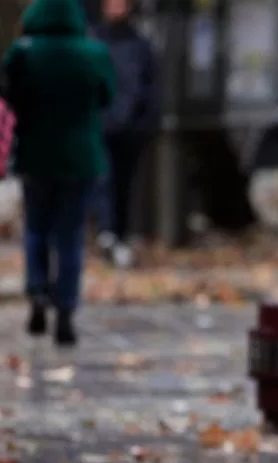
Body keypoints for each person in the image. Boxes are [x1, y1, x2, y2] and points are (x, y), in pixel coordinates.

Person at [4, 0, 115, 346]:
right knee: (70, 235)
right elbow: (107, 96)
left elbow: (9, 96)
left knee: (36, 227)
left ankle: (37, 291)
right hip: (81, 158)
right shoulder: (94, 52)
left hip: (36, 154)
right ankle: (65, 308)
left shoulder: (23, 53)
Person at [93, 0, 161, 269]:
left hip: (130, 128)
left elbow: (150, 88)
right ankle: (108, 232)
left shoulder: (140, 45)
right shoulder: (97, 41)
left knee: (123, 185)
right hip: (103, 125)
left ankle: (118, 234)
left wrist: (145, 123)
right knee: (104, 181)